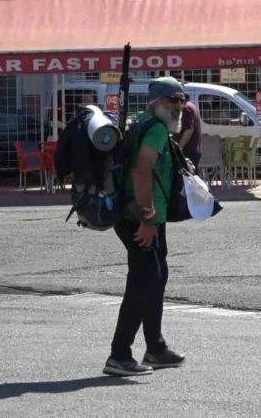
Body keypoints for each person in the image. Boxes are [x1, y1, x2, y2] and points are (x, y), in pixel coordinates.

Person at [103, 77, 186, 377]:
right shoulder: (156, 129)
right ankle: (119, 355)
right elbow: (141, 172)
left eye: (181, 101)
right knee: (144, 278)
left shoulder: (141, 122)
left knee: (156, 274)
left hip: (138, 214)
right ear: (156, 103)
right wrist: (147, 219)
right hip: (141, 218)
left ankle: (156, 347)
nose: (178, 107)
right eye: (171, 101)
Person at [176, 94, 202, 170]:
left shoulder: (186, 109)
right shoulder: (192, 106)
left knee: (188, 178)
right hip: (192, 150)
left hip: (187, 151)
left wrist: (179, 149)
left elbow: (188, 130)